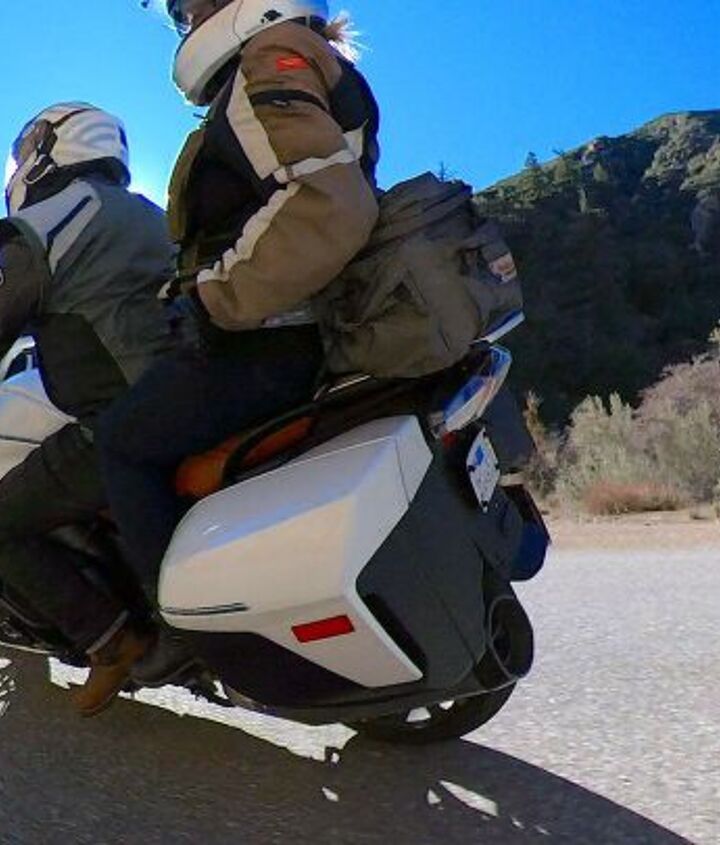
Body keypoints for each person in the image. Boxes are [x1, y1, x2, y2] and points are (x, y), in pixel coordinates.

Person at [94, 0, 380, 688]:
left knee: (122, 443)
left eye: (190, 6)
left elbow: (327, 200)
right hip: (296, 327)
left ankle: (183, 632)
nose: (184, 20)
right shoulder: (297, 55)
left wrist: (214, 300)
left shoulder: (267, 58)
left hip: (267, 337)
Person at [0, 102, 177, 716]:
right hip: (189, 398)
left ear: (51, 148)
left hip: (119, 420)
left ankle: (111, 640)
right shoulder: (153, 217)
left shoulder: (51, 220)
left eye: (26, 151)